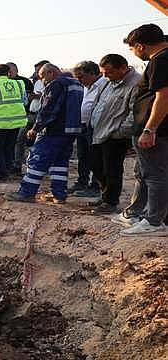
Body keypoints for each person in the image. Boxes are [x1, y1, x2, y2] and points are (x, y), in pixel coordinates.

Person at [116, 24, 168, 236]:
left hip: (156, 129)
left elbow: (163, 96)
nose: (134, 54)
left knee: (154, 175)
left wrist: (149, 129)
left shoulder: (160, 60)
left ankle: (154, 221)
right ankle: (144, 214)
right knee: (147, 173)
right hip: (158, 129)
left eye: (132, 49)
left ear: (139, 45)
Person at [6, 63, 84, 203]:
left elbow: (49, 109)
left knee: (37, 160)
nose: (42, 81)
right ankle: (59, 195)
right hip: (71, 131)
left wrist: (36, 128)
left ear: (51, 73)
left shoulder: (56, 84)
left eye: (42, 77)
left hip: (54, 131)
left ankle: (26, 192)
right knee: (59, 163)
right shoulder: (76, 84)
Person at [88, 54, 141, 214]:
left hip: (115, 135)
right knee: (96, 165)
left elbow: (135, 113)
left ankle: (110, 201)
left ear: (123, 68)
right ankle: (105, 196)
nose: (105, 76)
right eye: (103, 72)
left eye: (109, 72)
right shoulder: (107, 82)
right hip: (99, 131)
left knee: (112, 169)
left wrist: (120, 132)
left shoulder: (136, 83)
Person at [71, 61, 107, 197]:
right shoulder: (86, 86)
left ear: (92, 73)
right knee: (83, 156)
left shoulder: (104, 84)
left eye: (81, 77)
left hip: (96, 127)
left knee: (95, 158)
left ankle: (95, 186)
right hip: (83, 125)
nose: (80, 80)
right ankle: (82, 182)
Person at [7, 62, 35, 176]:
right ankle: (11, 163)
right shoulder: (5, 83)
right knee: (11, 141)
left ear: (16, 70)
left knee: (20, 140)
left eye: (10, 71)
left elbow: (27, 99)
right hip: (8, 117)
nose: (9, 73)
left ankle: (18, 165)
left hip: (24, 116)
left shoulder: (25, 82)